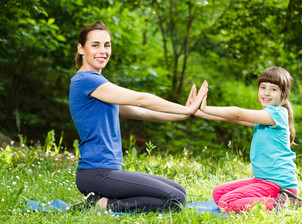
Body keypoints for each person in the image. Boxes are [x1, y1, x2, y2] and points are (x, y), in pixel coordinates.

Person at [68, 21, 208, 213]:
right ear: (81, 49)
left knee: (178, 191)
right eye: (95, 45)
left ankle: (102, 200)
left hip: (108, 172)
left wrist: (182, 114)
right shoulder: (86, 80)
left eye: (107, 45)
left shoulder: (99, 84)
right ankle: (99, 204)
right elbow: (141, 100)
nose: (103, 50)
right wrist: (187, 109)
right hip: (96, 173)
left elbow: (139, 111)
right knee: (175, 200)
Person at [189, 66, 302, 213]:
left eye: (273, 89)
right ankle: (277, 201)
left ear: (284, 94)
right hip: (262, 180)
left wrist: (206, 108)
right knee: (219, 193)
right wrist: (198, 111)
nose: (266, 93)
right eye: (263, 87)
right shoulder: (266, 116)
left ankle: (284, 203)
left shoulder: (276, 114)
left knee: (227, 203)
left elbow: (238, 114)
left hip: (279, 185)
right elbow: (234, 119)